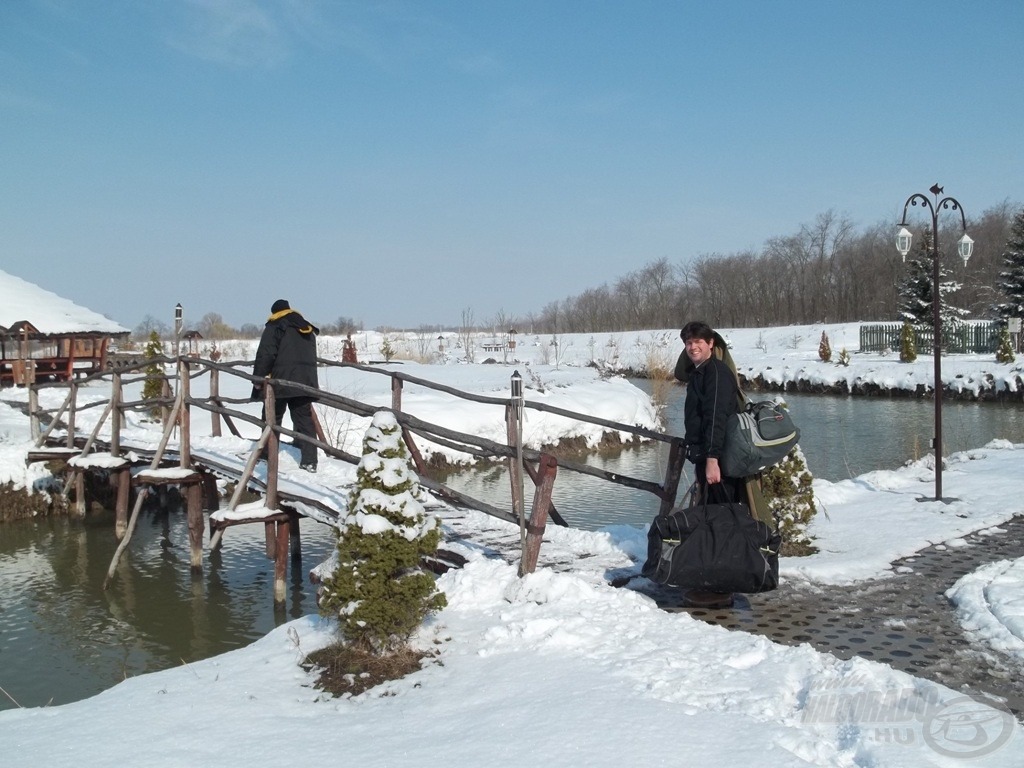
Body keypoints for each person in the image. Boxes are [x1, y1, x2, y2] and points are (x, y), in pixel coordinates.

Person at [674, 320, 746, 607]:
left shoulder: (716, 373)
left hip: (718, 460)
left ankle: (720, 590)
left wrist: (712, 460)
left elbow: (716, 417)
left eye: (698, 342)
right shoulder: (701, 373)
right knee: (712, 518)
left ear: (711, 343)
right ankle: (714, 583)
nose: (692, 347)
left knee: (720, 521)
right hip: (708, 456)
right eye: (688, 343)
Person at [253, 299, 321, 472]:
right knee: (304, 419)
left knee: (271, 417)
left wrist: (258, 378)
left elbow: (266, 353)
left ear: (275, 312)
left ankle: (267, 454)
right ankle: (310, 460)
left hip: (280, 381)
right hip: (305, 381)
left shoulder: (275, 325)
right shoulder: (306, 327)